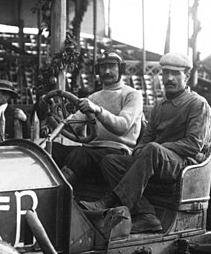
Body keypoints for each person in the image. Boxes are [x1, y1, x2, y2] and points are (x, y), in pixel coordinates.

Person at [80, 52, 211, 234]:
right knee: (110, 161)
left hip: (182, 164)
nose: (169, 78)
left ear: (186, 76)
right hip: (155, 159)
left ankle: (111, 200)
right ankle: (147, 215)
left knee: (152, 149)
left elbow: (193, 145)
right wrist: (141, 150)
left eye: (175, 74)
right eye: (165, 73)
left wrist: (155, 149)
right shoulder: (160, 106)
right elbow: (147, 138)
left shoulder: (197, 104)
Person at [51, 51, 143, 185]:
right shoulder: (94, 97)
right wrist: (52, 116)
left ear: (121, 69)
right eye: (102, 67)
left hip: (117, 152)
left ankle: (59, 194)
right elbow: (72, 125)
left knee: (81, 154)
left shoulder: (132, 95)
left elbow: (122, 127)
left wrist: (98, 110)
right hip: (92, 150)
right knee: (52, 150)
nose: (106, 71)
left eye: (111, 66)